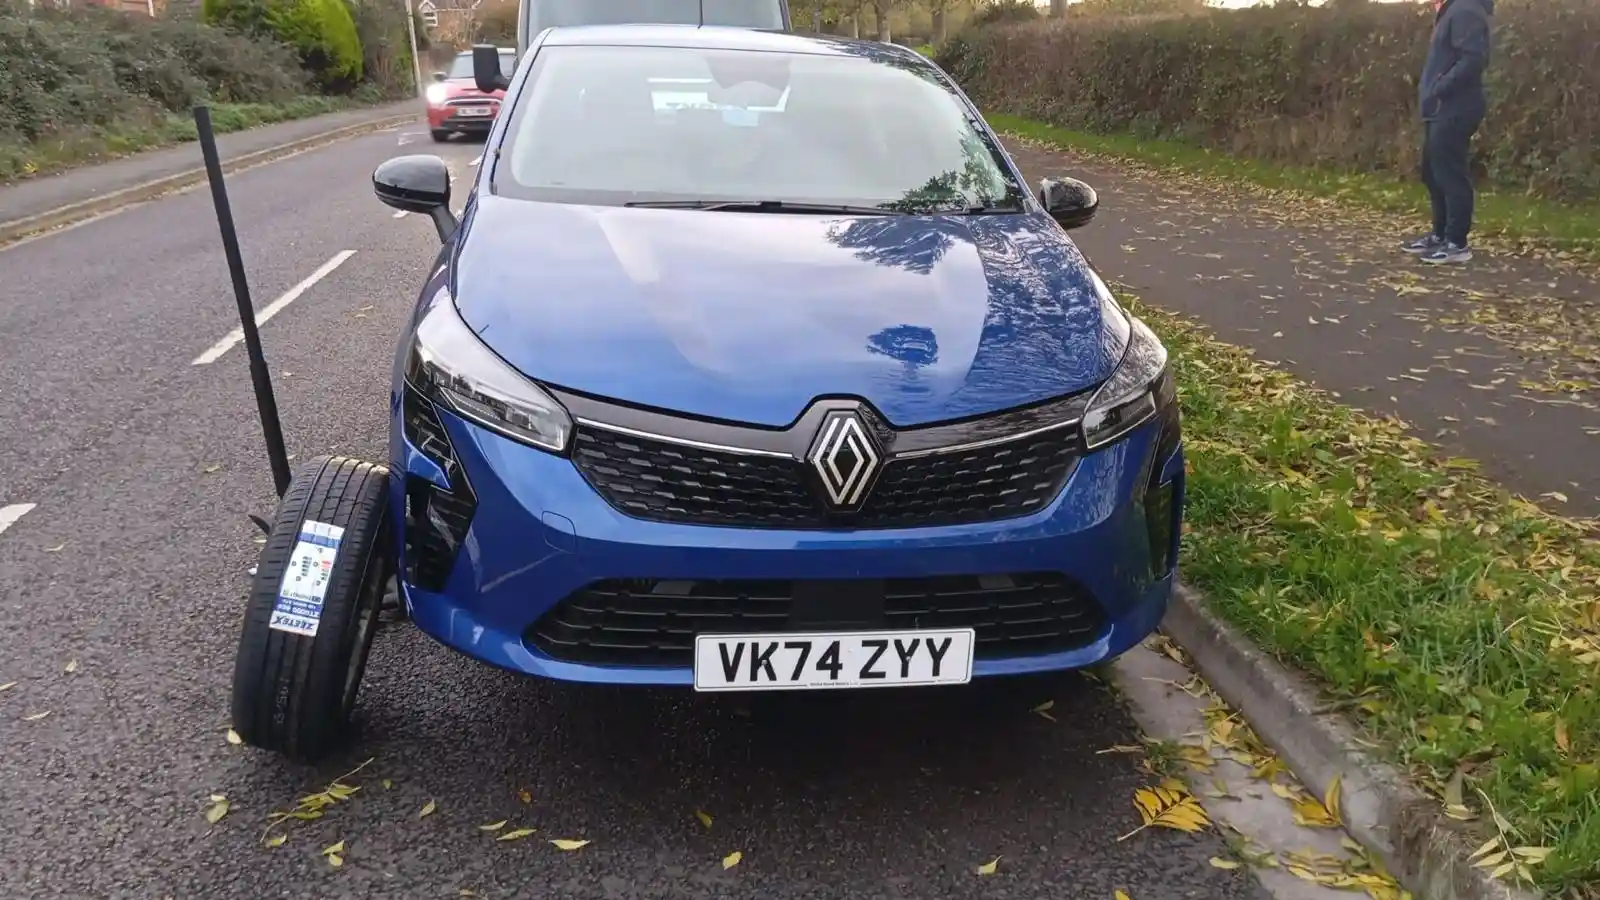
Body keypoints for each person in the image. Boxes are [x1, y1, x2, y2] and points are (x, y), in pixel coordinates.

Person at [1402, 0, 1494, 266]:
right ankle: (1439, 235)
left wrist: (1441, 87)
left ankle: (1457, 243)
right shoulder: (1450, 11)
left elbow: (1474, 58)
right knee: (1431, 173)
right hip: (1438, 108)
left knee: (1450, 174)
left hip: (1455, 107)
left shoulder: (1465, 10)